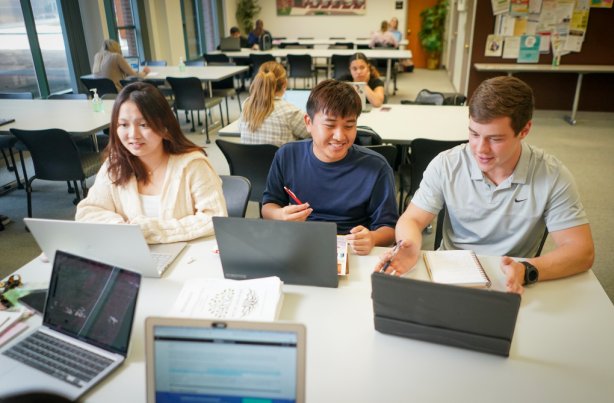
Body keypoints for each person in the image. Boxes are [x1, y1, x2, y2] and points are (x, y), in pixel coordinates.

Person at [375, 76, 595, 294]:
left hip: (511, 279)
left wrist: (526, 270)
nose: (480, 149)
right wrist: (411, 245)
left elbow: (580, 251)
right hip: (450, 275)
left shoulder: (552, 175)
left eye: (495, 139)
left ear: (524, 130)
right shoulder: (447, 164)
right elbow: (411, 219)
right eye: (473, 134)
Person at [76, 82, 228, 243]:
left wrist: (155, 230)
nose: (133, 134)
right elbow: (88, 212)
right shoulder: (115, 165)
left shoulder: (193, 165)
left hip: (185, 259)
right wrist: (119, 226)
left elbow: (215, 218)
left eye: (143, 124)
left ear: (164, 125)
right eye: (124, 125)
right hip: (131, 257)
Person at [261, 80, 398, 256]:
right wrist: (281, 215)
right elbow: (268, 206)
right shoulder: (287, 155)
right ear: (308, 122)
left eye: (349, 126)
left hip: (350, 251)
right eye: (330, 125)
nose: (340, 136)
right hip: (300, 246)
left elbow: (389, 229)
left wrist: (371, 237)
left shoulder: (376, 167)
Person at [240, 61, 310, 147]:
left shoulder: (247, 105)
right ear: (285, 84)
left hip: (249, 160)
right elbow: (315, 134)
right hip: (281, 160)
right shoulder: (291, 112)